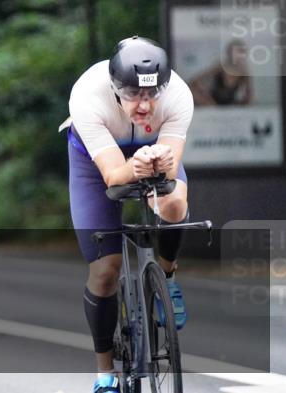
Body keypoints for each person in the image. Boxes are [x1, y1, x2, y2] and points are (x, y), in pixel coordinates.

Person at [60, 36, 193, 393]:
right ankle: (105, 372)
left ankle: (166, 277)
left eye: (152, 95)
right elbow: (114, 177)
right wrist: (134, 167)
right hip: (97, 158)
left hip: (152, 152)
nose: (145, 106)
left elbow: (170, 168)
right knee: (105, 271)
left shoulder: (179, 94)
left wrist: (162, 167)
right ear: (116, 88)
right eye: (134, 95)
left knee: (175, 204)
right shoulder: (88, 95)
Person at [189, 39, 252, 106]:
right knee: (192, 90)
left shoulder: (244, 71)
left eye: (241, 53)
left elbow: (249, 95)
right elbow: (193, 82)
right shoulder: (220, 67)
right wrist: (207, 99)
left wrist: (244, 104)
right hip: (213, 103)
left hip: (230, 103)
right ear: (229, 53)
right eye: (236, 52)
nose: (239, 56)